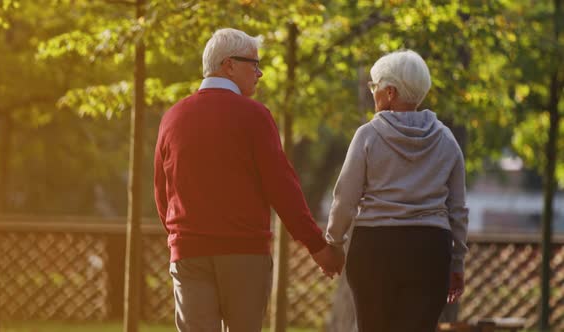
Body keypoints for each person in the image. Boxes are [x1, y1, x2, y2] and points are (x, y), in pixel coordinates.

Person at [154, 28, 344, 332]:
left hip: (188, 252)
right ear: (228, 65)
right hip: (243, 251)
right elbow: (282, 188)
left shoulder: (172, 117)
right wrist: (317, 246)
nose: (260, 73)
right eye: (254, 64)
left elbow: (163, 191)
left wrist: (180, 236)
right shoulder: (255, 115)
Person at [325, 49, 469, 332]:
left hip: (375, 248)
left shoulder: (368, 135)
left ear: (390, 92)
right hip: (430, 249)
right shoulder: (446, 139)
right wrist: (457, 262)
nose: (373, 92)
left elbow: (345, 198)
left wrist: (334, 242)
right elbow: (458, 209)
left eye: (374, 86)